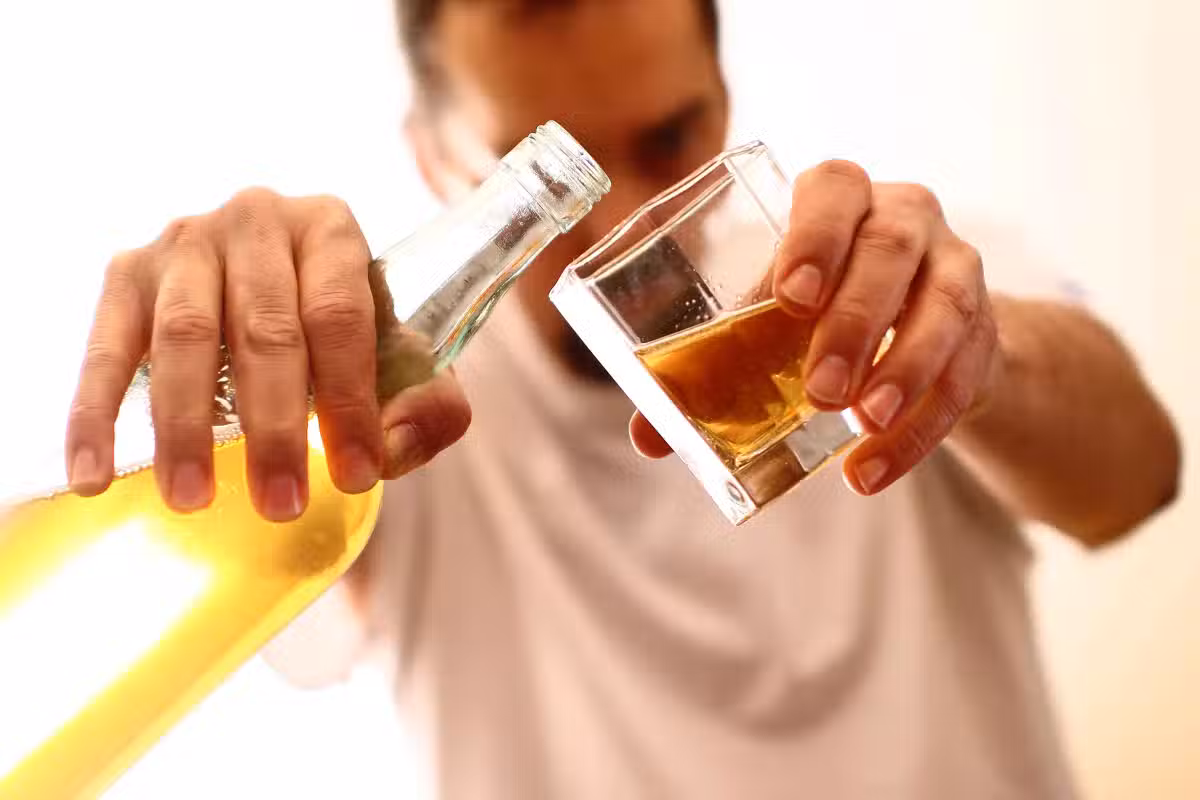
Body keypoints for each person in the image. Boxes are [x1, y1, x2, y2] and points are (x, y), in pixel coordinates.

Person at [64, 0, 1180, 797]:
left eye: (669, 139)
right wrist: (221, 373)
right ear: (435, 162)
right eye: (542, 174)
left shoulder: (878, 288)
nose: (621, 225)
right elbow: (216, 586)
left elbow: (1139, 479)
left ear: (725, 99)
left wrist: (978, 357)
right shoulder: (391, 398)